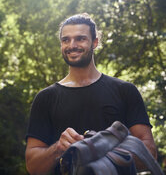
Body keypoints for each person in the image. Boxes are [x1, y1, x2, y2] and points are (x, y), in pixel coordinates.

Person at [25, 13, 157, 175]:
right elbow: (32, 166)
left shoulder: (125, 90)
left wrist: (99, 151)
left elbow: (149, 153)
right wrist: (58, 149)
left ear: (95, 42)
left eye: (80, 38)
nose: (72, 45)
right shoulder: (45, 98)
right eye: (65, 40)